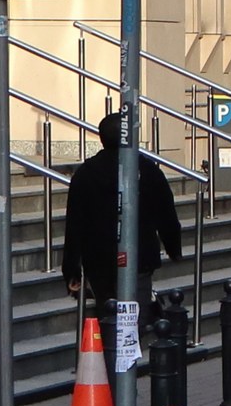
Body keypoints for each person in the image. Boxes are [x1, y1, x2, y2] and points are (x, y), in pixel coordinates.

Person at [59, 109, 185, 314]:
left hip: (99, 259)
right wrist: (174, 248)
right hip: (139, 256)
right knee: (137, 313)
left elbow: (75, 224)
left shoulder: (86, 173)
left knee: (107, 313)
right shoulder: (146, 169)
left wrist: (71, 268)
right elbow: (166, 214)